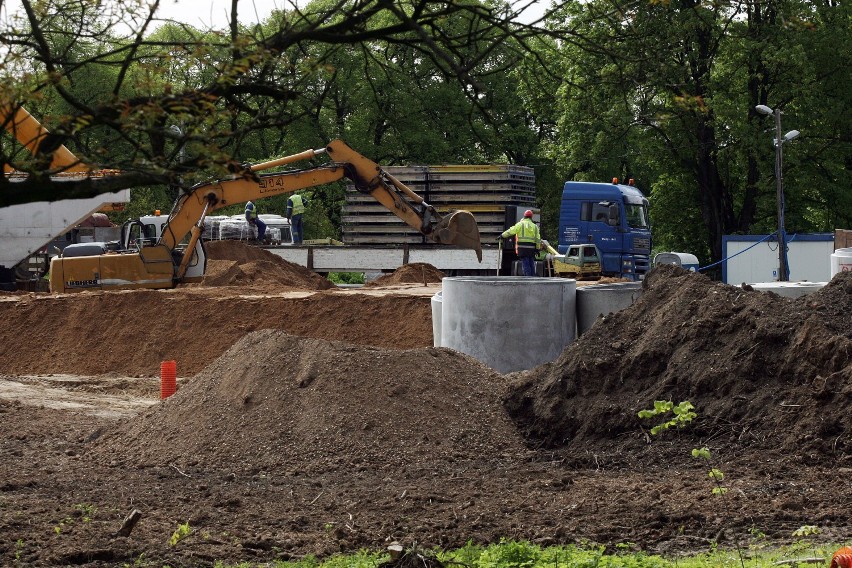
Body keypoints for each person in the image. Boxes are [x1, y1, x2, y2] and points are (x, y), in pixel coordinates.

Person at [501, 209, 542, 276]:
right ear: (531, 217)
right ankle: (533, 278)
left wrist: (502, 236)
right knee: (531, 263)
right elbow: (538, 239)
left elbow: (511, 231)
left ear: (524, 216)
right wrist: (537, 248)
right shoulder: (535, 226)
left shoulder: (520, 224)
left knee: (525, 263)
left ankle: (528, 279)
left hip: (522, 247)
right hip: (531, 248)